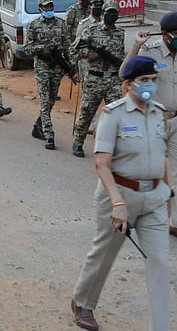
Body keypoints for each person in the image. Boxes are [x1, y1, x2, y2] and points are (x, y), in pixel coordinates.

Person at [71, 56, 171, 331]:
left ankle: (161, 326)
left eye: (153, 80)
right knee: (104, 253)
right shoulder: (113, 114)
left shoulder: (159, 112)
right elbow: (102, 164)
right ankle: (83, 302)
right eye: (143, 80)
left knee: (160, 261)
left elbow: (161, 158)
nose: (150, 85)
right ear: (128, 84)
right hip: (119, 194)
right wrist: (117, 203)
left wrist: (167, 193)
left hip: (154, 197)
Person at [123, 11, 177, 246]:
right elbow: (124, 73)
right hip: (153, 119)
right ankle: (132, 214)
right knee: (146, 170)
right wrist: (135, 46)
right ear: (166, 34)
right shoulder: (150, 50)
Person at [70, 0, 125, 158]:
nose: (111, 16)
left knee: (117, 114)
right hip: (95, 78)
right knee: (87, 112)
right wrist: (88, 54)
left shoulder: (120, 33)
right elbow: (73, 50)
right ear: (103, 13)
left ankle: (114, 147)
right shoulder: (91, 30)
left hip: (113, 79)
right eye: (109, 12)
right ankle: (78, 142)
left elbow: (120, 55)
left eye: (114, 13)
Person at [25, 0, 75, 150]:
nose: (49, 9)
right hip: (42, 66)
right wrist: (42, 49)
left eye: (50, 6)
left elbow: (67, 47)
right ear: (40, 8)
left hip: (57, 67)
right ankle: (49, 134)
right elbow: (27, 48)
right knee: (44, 100)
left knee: (51, 99)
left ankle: (37, 125)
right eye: (46, 6)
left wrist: (72, 67)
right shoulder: (33, 25)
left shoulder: (61, 24)